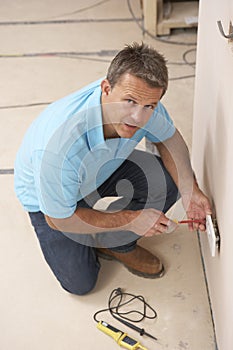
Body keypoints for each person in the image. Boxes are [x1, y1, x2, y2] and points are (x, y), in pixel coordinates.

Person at [14, 42, 212, 295]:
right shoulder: (58, 148)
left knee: (168, 181)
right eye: (129, 102)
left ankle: (116, 244)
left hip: (99, 171)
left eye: (149, 106)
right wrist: (130, 220)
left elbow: (168, 138)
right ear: (106, 88)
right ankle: (108, 231)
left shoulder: (143, 101)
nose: (137, 118)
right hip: (51, 201)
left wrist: (190, 190)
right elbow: (58, 219)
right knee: (80, 283)